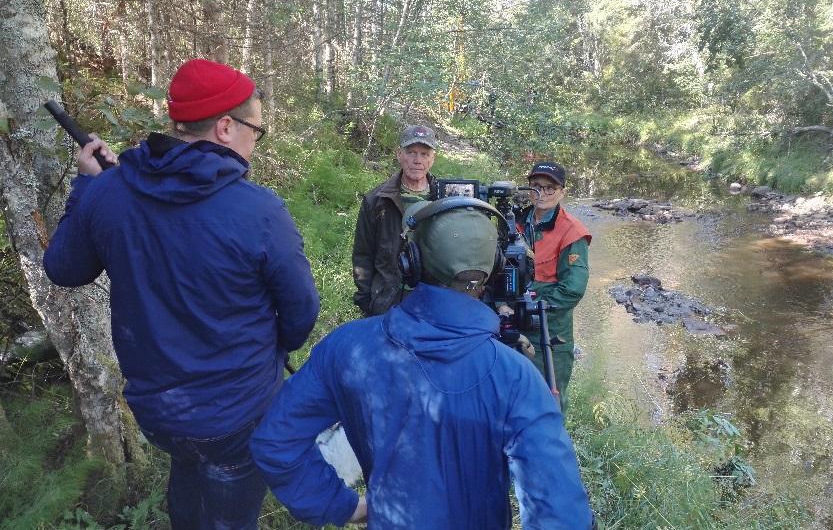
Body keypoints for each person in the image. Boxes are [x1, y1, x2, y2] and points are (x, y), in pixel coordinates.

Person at [43, 58, 320, 530]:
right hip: (237, 414)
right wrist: (270, 350)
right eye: (257, 128)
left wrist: (87, 186)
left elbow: (64, 269)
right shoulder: (258, 210)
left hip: (159, 414)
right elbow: (300, 313)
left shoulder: (110, 190)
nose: (257, 139)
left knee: (189, 483)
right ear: (227, 128)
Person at [251, 197, 594, 529]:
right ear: (496, 269)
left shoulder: (345, 347)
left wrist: (343, 506)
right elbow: (562, 514)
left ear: (410, 263)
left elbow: (276, 442)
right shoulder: (516, 376)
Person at [515, 161, 591, 413]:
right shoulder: (511, 221)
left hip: (550, 330)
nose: (543, 193)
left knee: (550, 399)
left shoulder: (572, 231)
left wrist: (535, 302)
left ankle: (553, 449)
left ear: (562, 192)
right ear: (528, 189)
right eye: (537, 186)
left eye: (550, 188)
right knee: (510, 393)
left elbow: (572, 290)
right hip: (509, 321)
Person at [351, 124, 437, 316]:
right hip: (387, 303)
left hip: (433, 305)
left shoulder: (444, 200)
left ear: (433, 159)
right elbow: (363, 254)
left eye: (424, 154)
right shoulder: (377, 200)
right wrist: (368, 301)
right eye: (411, 152)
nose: (417, 160)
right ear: (399, 154)